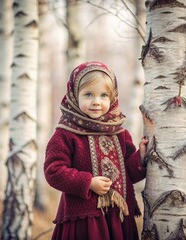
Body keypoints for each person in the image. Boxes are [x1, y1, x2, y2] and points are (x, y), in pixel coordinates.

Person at [44, 61, 148, 240]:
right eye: (88, 94)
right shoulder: (66, 133)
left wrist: (141, 157)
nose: (96, 102)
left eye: (103, 95)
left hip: (118, 217)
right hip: (84, 221)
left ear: (113, 97)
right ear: (74, 96)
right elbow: (53, 171)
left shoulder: (119, 133)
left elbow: (129, 173)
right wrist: (88, 182)